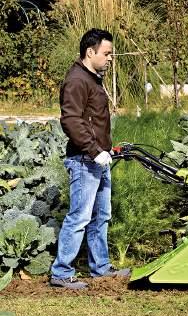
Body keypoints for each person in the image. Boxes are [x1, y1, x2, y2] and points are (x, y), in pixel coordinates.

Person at [50, 28, 129, 289]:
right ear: (90, 52)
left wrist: (106, 149)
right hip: (85, 160)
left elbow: (92, 120)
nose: (110, 58)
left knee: (101, 217)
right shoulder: (76, 80)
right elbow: (71, 120)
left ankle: (101, 268)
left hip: (97, 159)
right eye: (106, 54)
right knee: (80, 217)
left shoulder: (92, 78)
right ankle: (61, 273)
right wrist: (95, 151)